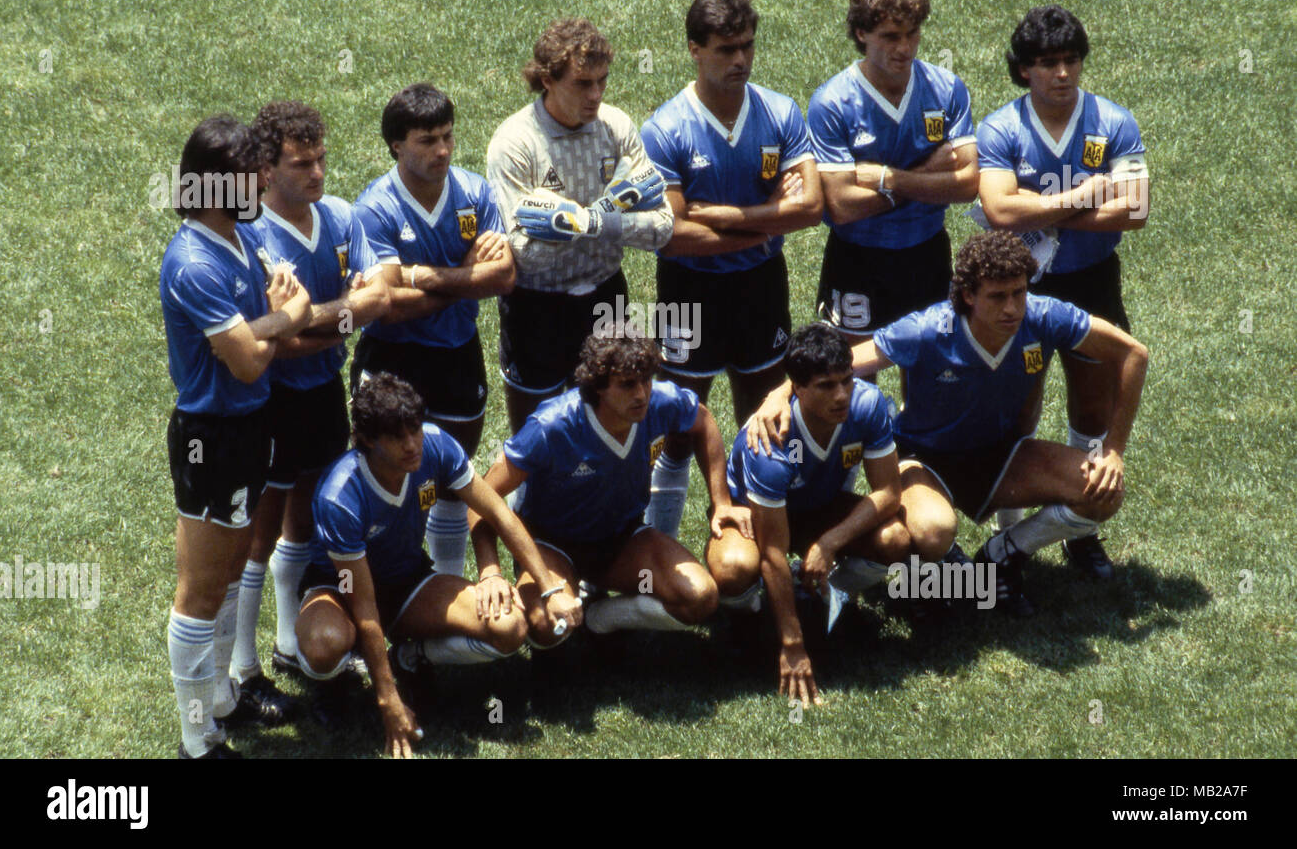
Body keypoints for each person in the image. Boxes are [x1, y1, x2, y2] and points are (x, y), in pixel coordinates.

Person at [749, 232, 1148, 617]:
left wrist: (1112, 449)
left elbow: (1133, 354)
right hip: (925, 460)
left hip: (1003, 455)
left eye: (1019, 293)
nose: (1012, 308)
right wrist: (780, 393)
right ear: (968, 295)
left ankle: (1002, 553)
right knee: (934, 532)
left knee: (1103, 493)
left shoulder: (1044, 316)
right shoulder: (927, 329)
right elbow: (840, 365)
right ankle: (922, 580)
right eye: (997, 297)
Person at [295, 372, 581, 758]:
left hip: (406, 581)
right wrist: (388, 700)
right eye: (397, 436)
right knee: (325, 645)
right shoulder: (341, 496)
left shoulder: (436, 445)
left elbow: (498, 512)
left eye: (414, 429)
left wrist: (546, 588)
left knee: (510, 626)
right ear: (366, 440)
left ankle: (409, 658)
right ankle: (334, 684)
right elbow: (363, 605)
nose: (412, 444)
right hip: (340, 592)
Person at [639, 0, 821, 539]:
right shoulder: (666, 128)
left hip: (762, 286)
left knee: (763, 417)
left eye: (747, 47)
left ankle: (751, 551)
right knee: (677, 423)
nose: (740, 60)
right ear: (695, 50)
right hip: (689, 290)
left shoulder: (780, 111)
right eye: (725, 49)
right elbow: (672, 236)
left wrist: (726, 215)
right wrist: (769, 218)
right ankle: (660, 545)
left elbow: (811, 208)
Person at [227, 101, 390, 712]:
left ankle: (288, 644)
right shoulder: (250, 238)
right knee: (259, 535)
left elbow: (379, 298)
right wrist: (340, 317)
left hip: (324, 392)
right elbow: (273, 343)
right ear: (265, 171)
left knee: (307, 518)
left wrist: (316, 319)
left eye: (321, 158)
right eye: (302, 163)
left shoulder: (343, 216)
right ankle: (243, 672)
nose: (318, 173)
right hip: (271, 401)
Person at [976, 5, 1150, 574]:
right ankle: (1006, 541)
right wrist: (1087, 195)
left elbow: (1137, 210)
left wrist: (1042, 213)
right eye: (1048, 63)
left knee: (1093, 403)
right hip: (1016, 288)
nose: (1062, 74)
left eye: (1071, 60)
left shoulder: (1113, 122)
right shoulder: (1002, 128)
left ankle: (1080, 525)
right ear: (1024, 69)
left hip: (1092, 279)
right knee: (1017, 407)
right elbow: (1000, 208)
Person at [160, 115, 312, 757]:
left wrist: (271, 323)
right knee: (199, 592)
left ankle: (222, 699)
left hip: (251, 426)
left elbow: (264, 334)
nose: (265, 181)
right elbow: (248, 359)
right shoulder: (193, 261)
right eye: (254, 173)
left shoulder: (240, 239)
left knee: (225, 579)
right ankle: (199, 738)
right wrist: (287, 317)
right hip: (211, 439)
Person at [469, 332, 748, 649]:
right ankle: (562, 632)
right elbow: (481, 498)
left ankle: (601, 619)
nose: (642, 394)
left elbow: (703, 422)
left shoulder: (659, 403)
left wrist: (722, 502)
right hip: (553, 547)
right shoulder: (552, 426)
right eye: (628, 384)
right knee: (551, 624)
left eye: (646, 380)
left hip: (623, 542)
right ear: (598, 386)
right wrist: (490, 571)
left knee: (698, 597)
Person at [350, 84, 515, 578]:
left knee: (451, 477)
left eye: (447, 137)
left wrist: (419, 275)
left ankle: (445, 589)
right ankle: (379, 593)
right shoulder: (375, 208)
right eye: (427, 140)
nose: (442, 150)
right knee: (383, 480)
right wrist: (467, 278)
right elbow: (389, 309)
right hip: (393, 360)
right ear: (397, 146)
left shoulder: (474, 192)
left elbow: (504, 277)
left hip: (458, 354)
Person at [486, 18, 673, 434]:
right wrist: (610, 214)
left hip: (607, 297)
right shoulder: (515, 143)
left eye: (603, 81)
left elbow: (661, 226)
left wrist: (582, 220)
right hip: (537, 307)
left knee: (611, 429)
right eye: (583, 83)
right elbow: (525, 254)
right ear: (548, 79)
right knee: (536, 438)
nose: (596, 96)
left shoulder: (616, 127)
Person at [717, 324, 904, 706]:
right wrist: (793, 645)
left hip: (819, 509)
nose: (841, 396)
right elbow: (772, 552)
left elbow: (889, 493)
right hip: (756, 519)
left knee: (896, 538)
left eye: (846, 381)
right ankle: (749, 620)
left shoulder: (866, 405)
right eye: (825, 386)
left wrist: (828, 542)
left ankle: (821, 597)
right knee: (733, 568)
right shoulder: (772, 445)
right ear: (796, 389)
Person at [807, 0, 978, 353]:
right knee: (847, 376)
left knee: (932, 376)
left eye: (912, 34)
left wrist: (889, 179)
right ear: (861, 34)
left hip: (927, 254)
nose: (904, 48)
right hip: (856, 260)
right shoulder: (833, 103)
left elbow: (968, 185)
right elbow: (842, 206)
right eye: (890, 37)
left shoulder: (946, 89)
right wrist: (931, 175)